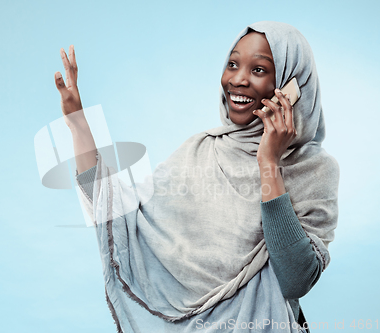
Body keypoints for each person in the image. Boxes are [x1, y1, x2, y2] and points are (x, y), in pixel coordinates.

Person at [54, 21, 339, 333]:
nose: (238, 80)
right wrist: (78, 124)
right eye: (232, 64)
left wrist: (268, 162)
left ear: (290, 84)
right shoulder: (201, 149)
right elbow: (120, 216)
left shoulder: (313, 168)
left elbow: (296, 278)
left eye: (259, 70)